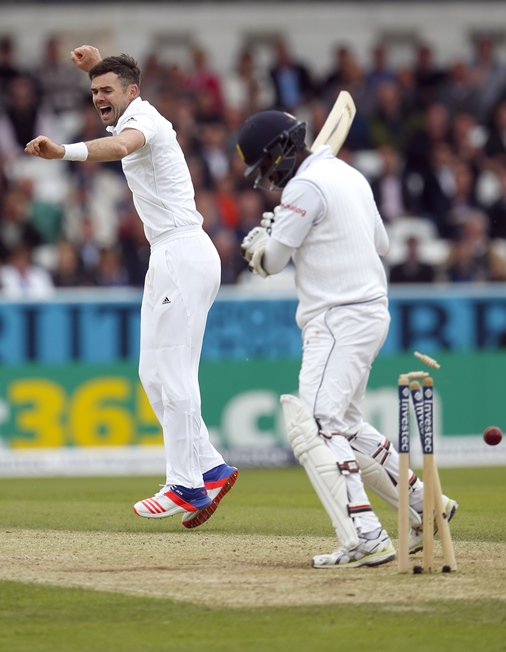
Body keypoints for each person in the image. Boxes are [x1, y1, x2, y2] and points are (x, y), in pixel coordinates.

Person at [24, 45, 237, 527]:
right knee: (153, 376)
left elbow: (120, 147)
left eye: (107, 91)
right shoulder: (130, 109)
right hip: (167, 254)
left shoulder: (144, 121)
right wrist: (100, 67)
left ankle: (185, 485)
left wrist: (63, 151)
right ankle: (211, 468)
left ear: (132, 93)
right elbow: (116, 109)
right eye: (94, 91)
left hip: (183, 250)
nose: (98, 98)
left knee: (176, 373)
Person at [236, 110, 457, 568]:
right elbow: (382, 244)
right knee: (347, 426)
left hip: (336, 319)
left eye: (265, 167)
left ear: (280, 152)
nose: (268, 179)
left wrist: (262, 244)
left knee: (316, 425)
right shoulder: (349, 174)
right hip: (372, 311)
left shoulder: (305, 187)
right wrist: (298, 225)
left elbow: (272, 263)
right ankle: (426, 506)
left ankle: (366, 536)